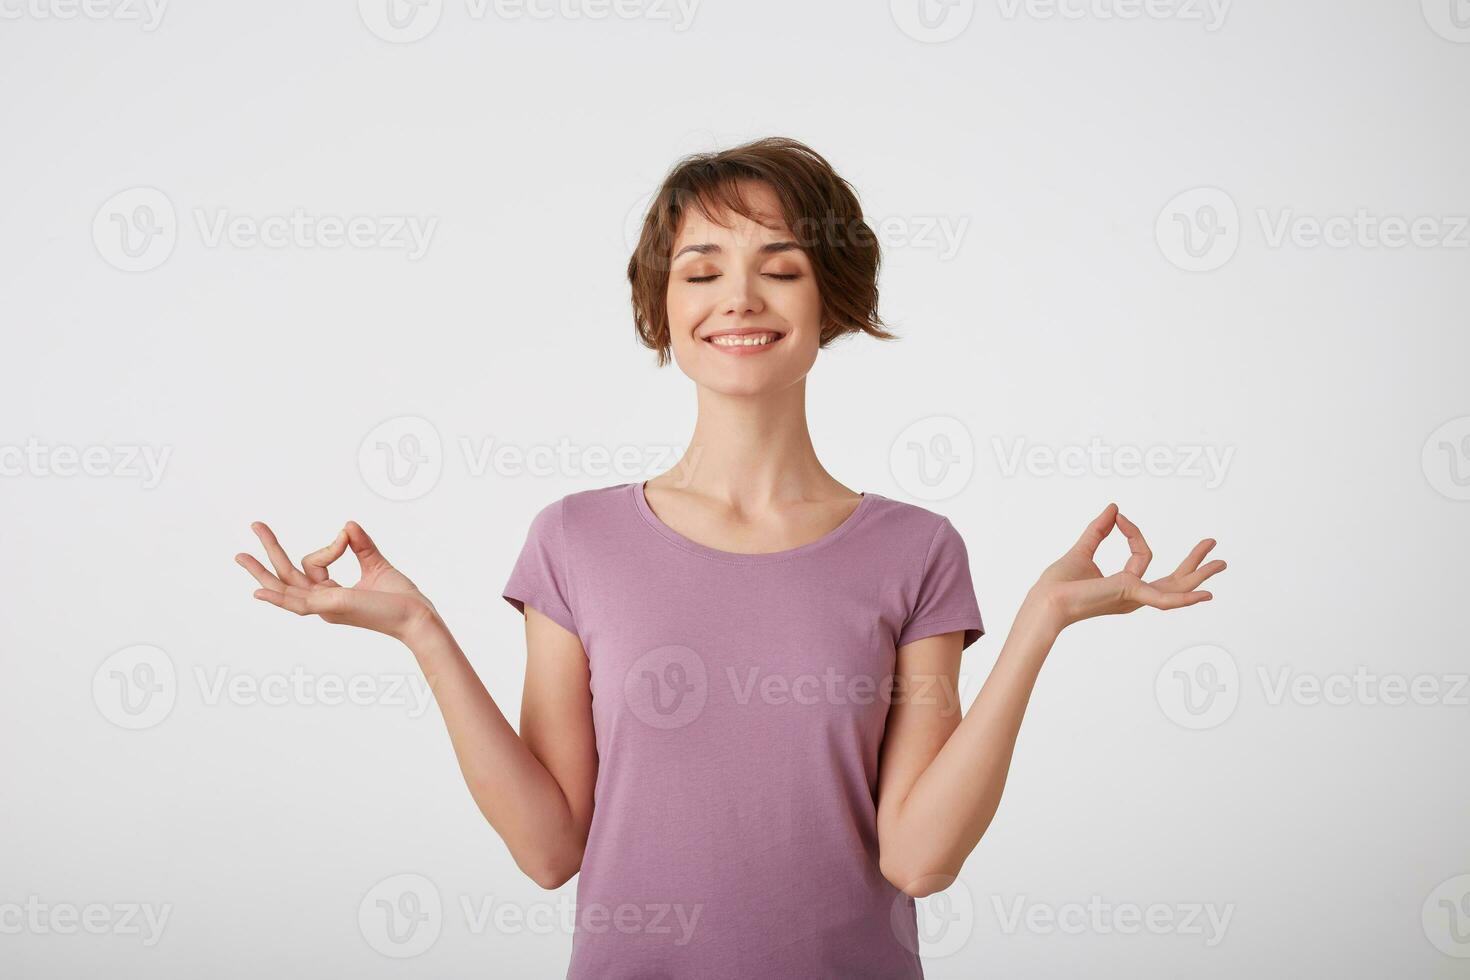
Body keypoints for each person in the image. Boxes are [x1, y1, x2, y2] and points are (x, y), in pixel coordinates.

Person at [235, 136, 1226, 979]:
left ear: (830, 300)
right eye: (702, 269)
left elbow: (919, 859)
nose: (738, 297)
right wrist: (421, 631)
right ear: (661, 308)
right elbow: (547, 849)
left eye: (780, 266)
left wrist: (1038, 625)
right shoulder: (574, 539)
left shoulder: (916, 551)